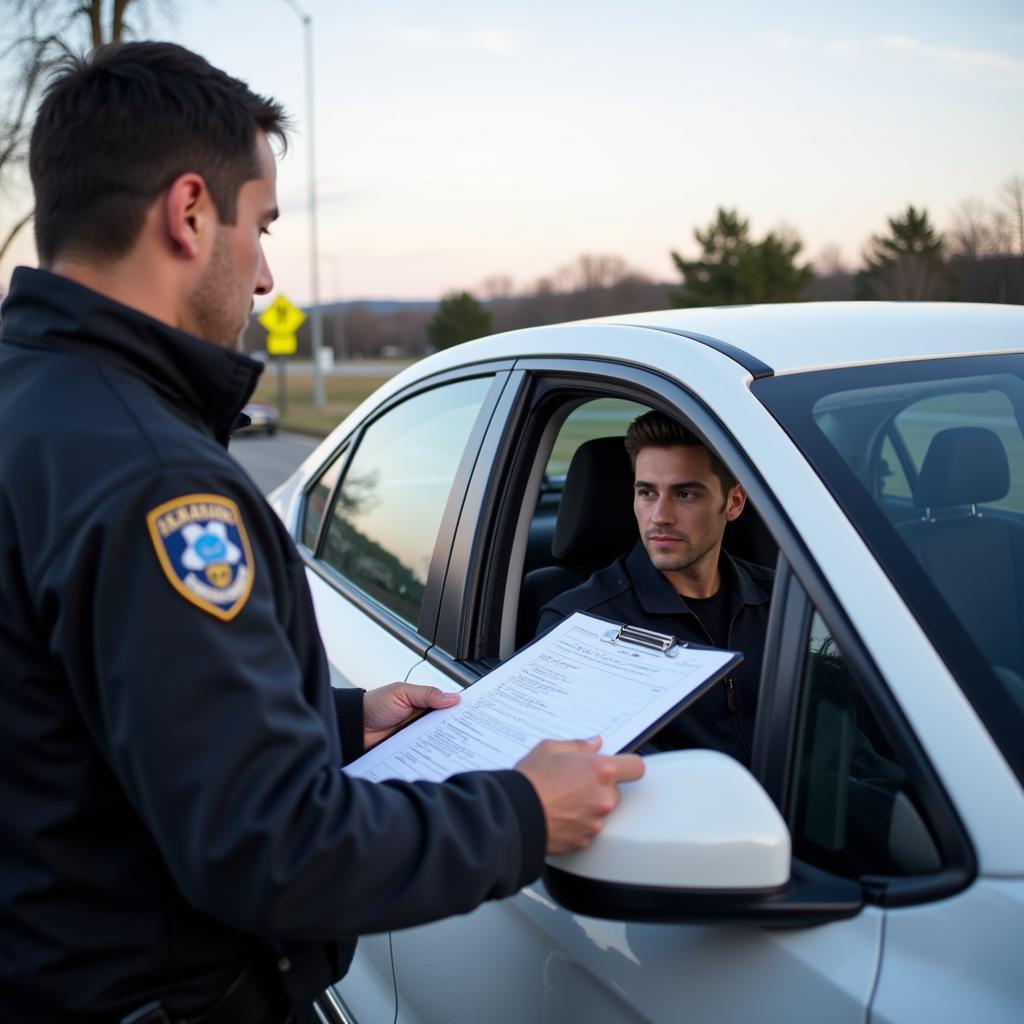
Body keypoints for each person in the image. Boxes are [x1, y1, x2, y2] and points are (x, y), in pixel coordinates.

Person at [0, 43, 643, 1024]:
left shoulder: (32, 403)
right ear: (187, 213)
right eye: (259, 227)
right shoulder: (155, 479)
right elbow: (270, 850)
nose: (262, 275)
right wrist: (521, 810)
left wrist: (342, 722)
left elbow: (78, 711)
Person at [537, 411, 774, 763]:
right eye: (647, 492)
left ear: (734, 503)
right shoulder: (581, 624)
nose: (660, 516)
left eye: (686, 494)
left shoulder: (783, 599)